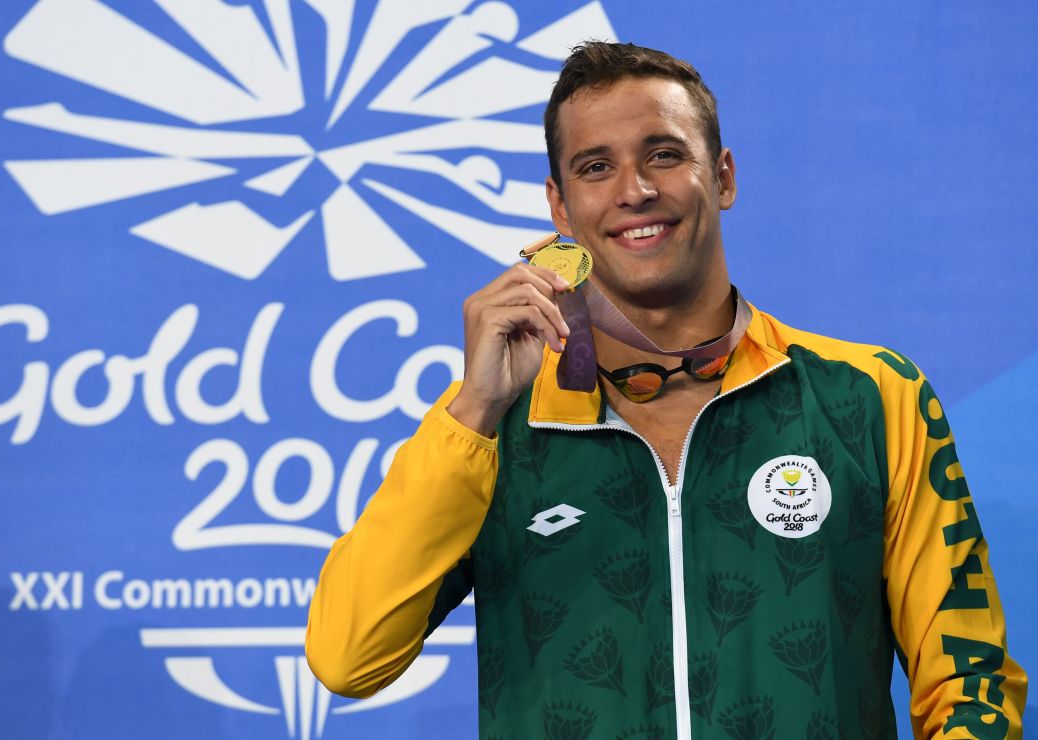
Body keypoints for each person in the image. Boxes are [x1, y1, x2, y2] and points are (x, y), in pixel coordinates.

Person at [306, 41, 1026, 739]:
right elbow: (347, 659)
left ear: (723, 175)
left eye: (664, 153)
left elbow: (971, 687)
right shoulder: (490, 432)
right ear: (560, 208)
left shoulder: (870, 396)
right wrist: (475, 410)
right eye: (596, 167)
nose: (634, 189)